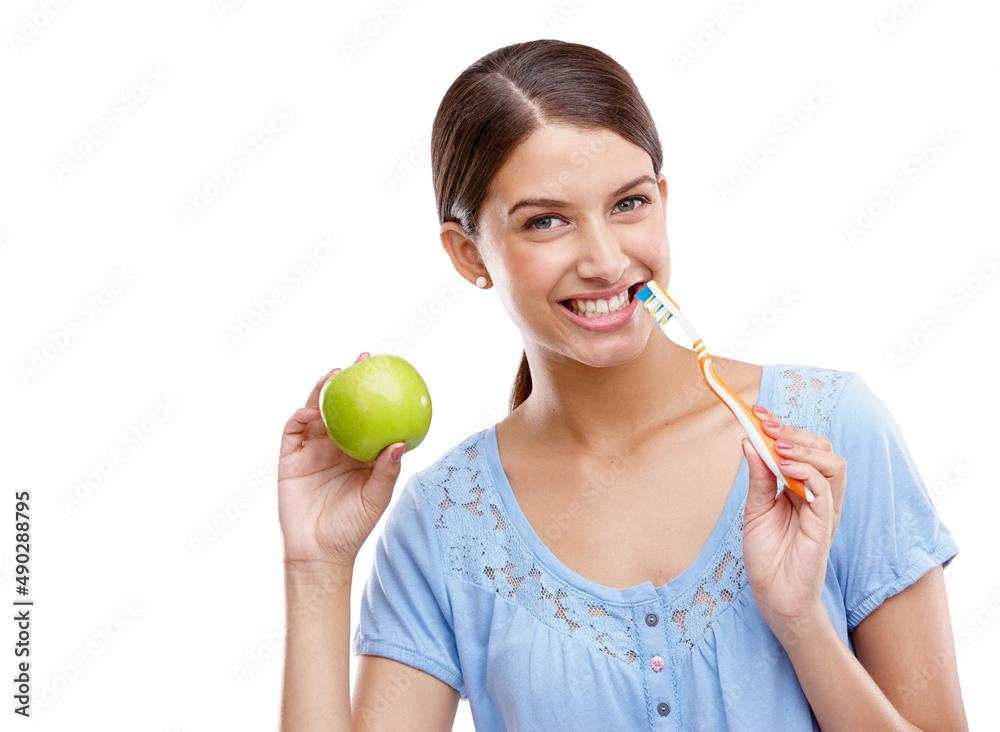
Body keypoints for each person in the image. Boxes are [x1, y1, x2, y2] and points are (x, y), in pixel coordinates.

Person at [277, 39, 967, 731]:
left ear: (663, 201)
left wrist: (803, 627)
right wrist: (317, 571)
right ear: (468, 254)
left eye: (629, 203)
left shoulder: (827, 437)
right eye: (546, 221)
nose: (606, 261)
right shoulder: (444, 525)